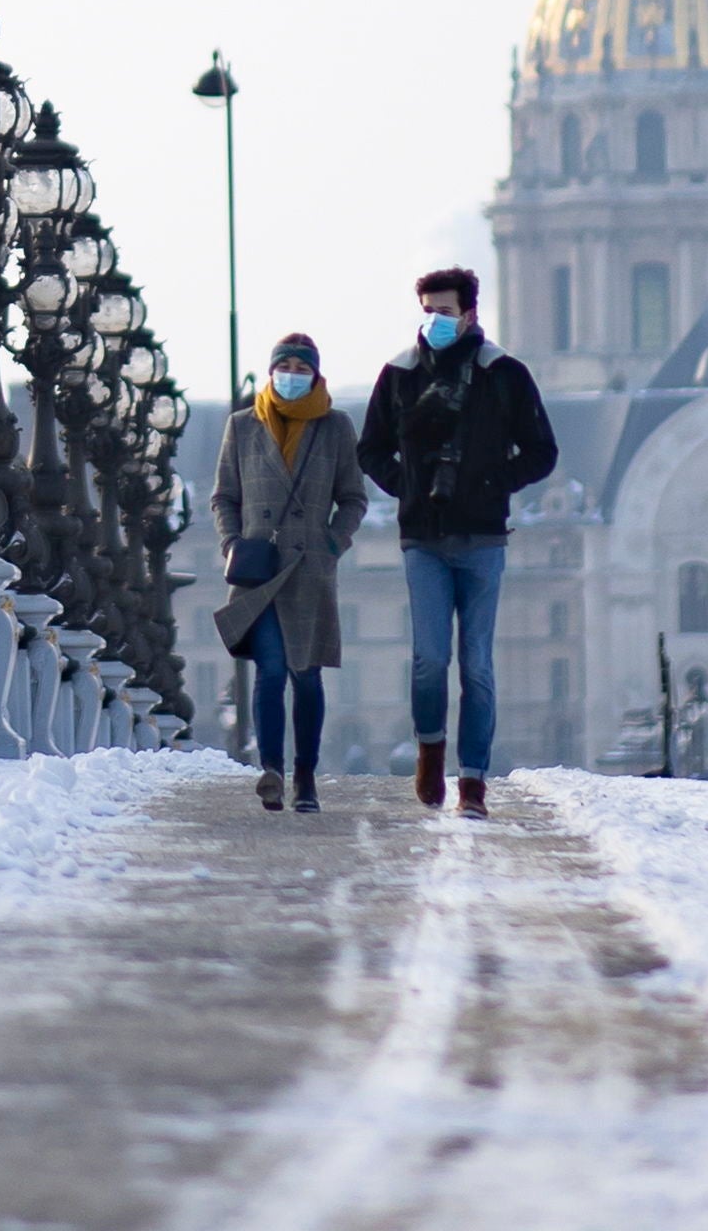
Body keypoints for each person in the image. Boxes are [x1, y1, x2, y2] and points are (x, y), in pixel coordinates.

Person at [360, 266, 562, 817]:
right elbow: (370, 449)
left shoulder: (505, 374)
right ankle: (431, 750)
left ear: (470, 313)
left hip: (483, 538)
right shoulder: (398, 374)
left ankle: (473, 780)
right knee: (429, 659)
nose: (434, 321)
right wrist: (407, 487)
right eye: (427, 311)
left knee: (476, 664)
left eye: (444, 312)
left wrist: (494, 483)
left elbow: (543, 451)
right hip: (421, 538)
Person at [212, 331, 362, 814]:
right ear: (272, 370)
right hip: (260, 572)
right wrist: (232, 543)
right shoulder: (243, 425)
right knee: (270, 671)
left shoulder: (335, 427)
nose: (292, 377)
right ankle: (272, 771)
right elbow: (224, 497)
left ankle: (306, 776)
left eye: (302, 370)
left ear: (315, 376)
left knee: (307, 676)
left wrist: (334, 541)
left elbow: (354, 498)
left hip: (310, 569)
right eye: (286, 368)